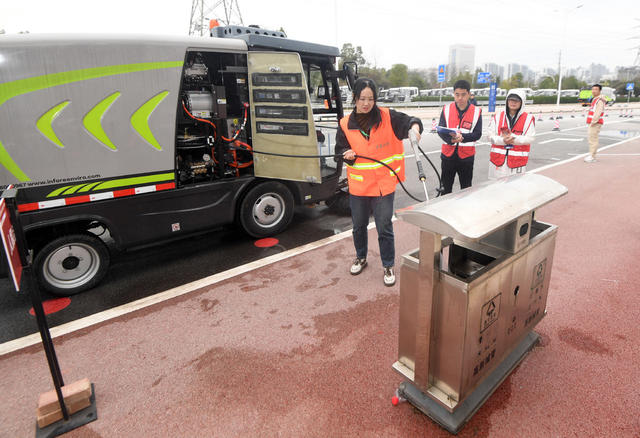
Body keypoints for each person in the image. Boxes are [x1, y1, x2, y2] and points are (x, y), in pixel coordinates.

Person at [335, 78, 423, 287]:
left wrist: (415, 129)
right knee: (359, 226)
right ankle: (361, 257)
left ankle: (388, 265)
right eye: (362, 98)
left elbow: (410, 120)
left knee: (384, 227)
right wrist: (345, 154)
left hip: (384, 185)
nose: (366, 103)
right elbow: (338, 152)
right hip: (358, 187)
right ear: (355, 98)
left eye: (370, 99)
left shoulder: (388, 117)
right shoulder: (345, 124)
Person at [437, 79, 482, 194]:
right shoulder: (446, 109)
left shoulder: (476, 111)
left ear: (469, 94)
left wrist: (463, 138)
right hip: (448, 156)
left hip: (466, 158)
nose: (460, 98)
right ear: (454, 94)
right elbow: (441, 130)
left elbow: (478, 134)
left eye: (463, 95)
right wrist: (451, 140)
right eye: (457, 95)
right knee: (445, 189)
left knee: (466, 189)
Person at [487, 89, 536, 179]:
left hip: (517, 163)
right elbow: (489, 136)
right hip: (497, 162)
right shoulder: (498, 117)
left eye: (516, 100)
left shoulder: (528, 119)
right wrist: (502, 140)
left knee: (514, 189)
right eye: (511, 100)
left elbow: (530, 138)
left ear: (522, 102)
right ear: (507, 101)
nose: (513, 102)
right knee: (495, 188)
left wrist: (514, 139)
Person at [584, 84, 606, 163]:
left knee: (593, 140)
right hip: (593, 122)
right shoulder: (595, 99)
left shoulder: (599, 100)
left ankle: (592, 156)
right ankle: (591, 155)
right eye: (593, 89)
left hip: (595, 123)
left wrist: (593, 121)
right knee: (591, 139)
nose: (593, 91)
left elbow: (598, 112)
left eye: (596, 89)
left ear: (599, 91)